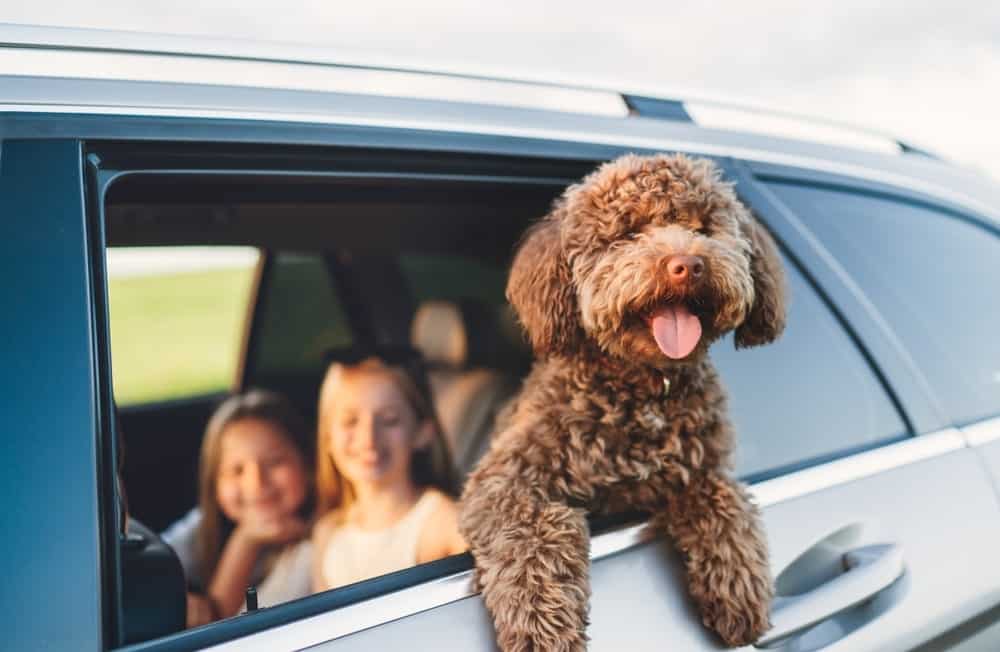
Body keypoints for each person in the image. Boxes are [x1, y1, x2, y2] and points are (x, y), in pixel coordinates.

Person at [312, 355, 467, 592]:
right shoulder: (328, 534)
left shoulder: (443, 524)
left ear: (423, 433)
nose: (368, 439)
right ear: (328, 438)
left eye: (389, 421)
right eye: (350, 421)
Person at [161, 389, 314, 626]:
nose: (256, 483)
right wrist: (247, 539)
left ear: (306, 463)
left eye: (274, 462)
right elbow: (148, 574)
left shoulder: (322, 537)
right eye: (236, 470)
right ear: (214, 483)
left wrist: (246, 540)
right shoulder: (202, 527)